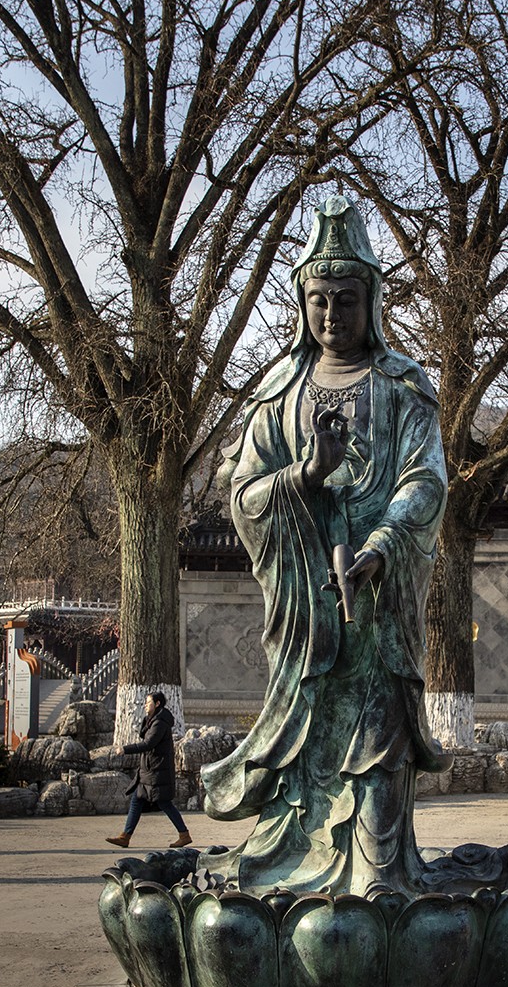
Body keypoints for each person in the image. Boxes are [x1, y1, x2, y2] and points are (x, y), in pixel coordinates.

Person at [199, 197, 449, 895]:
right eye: (319, 300)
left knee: (376, 747)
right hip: (307, 610)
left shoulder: (403, 387)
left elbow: (425, 480)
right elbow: (244, 493)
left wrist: (385, 543)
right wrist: (305, 475)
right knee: (306, 746)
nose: (332, 314)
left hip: (377, 608)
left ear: (372, 301)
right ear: (302, 303)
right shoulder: (277, 393)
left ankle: (377, 875)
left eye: (346, 299)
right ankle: (293, 862)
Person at [106, 691, 191, 850]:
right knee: (137, 800)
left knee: (164, 803)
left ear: (157, 704)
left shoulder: (160, 723)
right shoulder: (154, 720)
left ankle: (184, 834)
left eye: (148, 702)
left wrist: (125, 749)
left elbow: (148, 744)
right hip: (149, 770)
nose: (145, 705)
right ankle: (125, 836)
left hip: (157, 771)